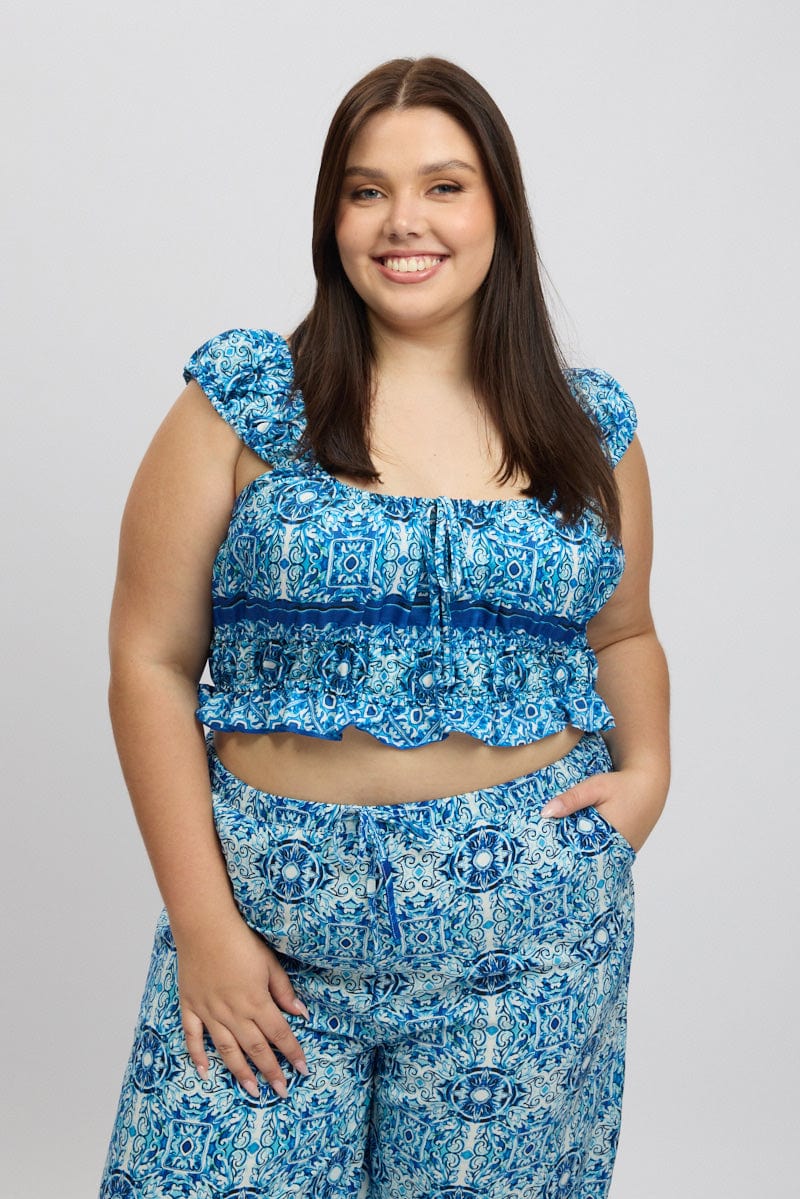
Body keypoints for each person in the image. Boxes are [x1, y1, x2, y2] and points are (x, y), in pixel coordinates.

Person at [100, 55, 669, 1199]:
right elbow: (148, 658)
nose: (403, 220)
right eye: (366, 190)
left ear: (498, 208)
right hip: (265, 936)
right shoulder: (244, 399)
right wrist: (205, 927)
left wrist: (646, 774)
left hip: (526, 935)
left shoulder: (585, 427)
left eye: (442, 186)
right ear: (332, 217)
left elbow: (621, 632)